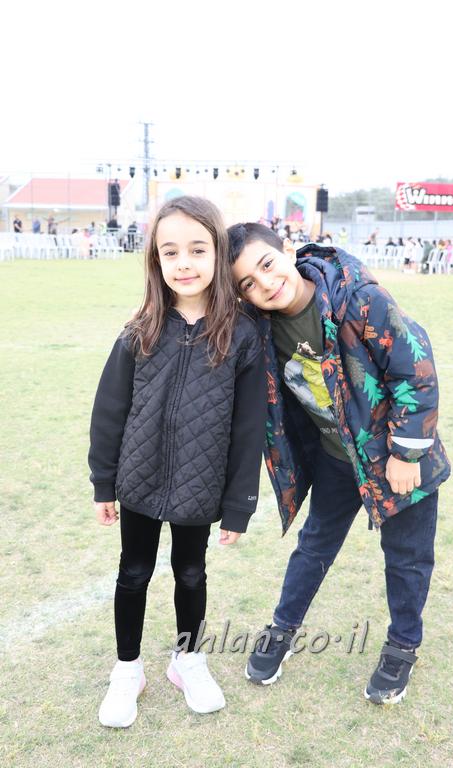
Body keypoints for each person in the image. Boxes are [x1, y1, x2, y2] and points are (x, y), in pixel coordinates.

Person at [228, 224, 450, 706]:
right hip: (336, 458)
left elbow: (416, 370)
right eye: (247, 282)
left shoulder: (357, 296)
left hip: (398, 459)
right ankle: (282, 629)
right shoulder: (257, 327)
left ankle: (402, 646)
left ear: (288, 251)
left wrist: (406, 454)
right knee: (313, 545)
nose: (265, 283)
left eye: (267, 264)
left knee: (407, 557)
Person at [88, 197, 267, 728]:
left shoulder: (242, 335)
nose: (183, 263)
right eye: (170, 252)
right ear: (156, 260)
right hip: (138, 478)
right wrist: (103, 483)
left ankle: (188, 661)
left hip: (201, 484)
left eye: (196, 249)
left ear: (217, 253)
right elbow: (109, 409)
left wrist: (239, 505)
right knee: (134, 572)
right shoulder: (140, 327)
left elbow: (248, 428)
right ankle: (128, 670)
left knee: (191, 573)